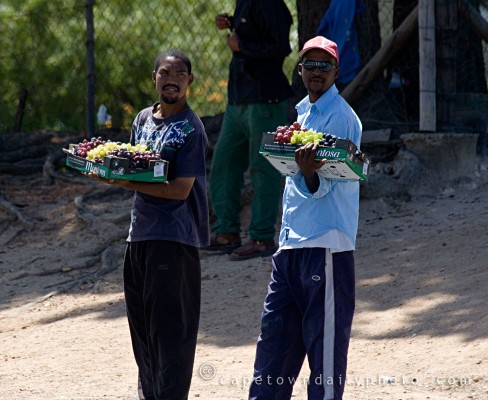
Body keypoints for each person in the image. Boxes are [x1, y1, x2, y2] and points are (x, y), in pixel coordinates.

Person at [87, 49, 209, 400]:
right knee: (142, 336)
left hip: (174, 241)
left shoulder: (191, 129)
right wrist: (110, 172)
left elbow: (179, 190)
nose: (172, 79)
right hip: (138, 237)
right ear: (153, 78)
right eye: (165, 72)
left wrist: (123, 183)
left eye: (180, 73)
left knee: (170, 338)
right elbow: (134, 167)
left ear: (190, 81)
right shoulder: (142, 119)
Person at [248, 36, 363, 400]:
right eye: (310, 65)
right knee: (272, 354)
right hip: (289, 248)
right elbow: (297, 180)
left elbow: (327, 182)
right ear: (299, 70)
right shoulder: (302, 114)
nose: (316, 71)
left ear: (336, 71)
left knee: (325, 361)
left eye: (324, 65)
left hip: (326, 246)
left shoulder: (343, 117)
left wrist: (308, 172)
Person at [206, 0, 294, 261]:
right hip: (238, 100)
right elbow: (256, 30)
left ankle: (262, 237)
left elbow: (280, 47)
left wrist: (241, 46)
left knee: (263, 168)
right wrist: (232, 23)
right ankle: (226, 233)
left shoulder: (271, 4)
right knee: (224, 165)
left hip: (264, 99)